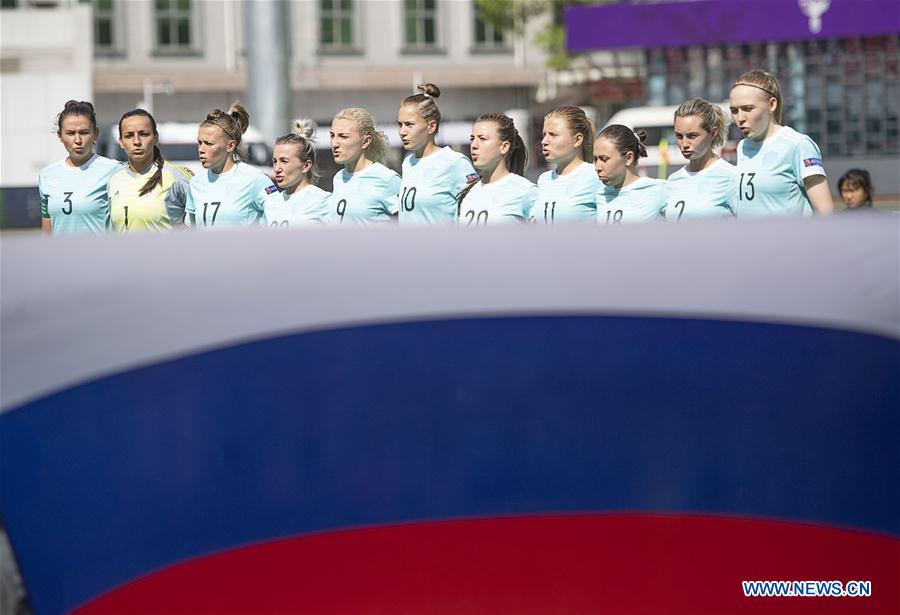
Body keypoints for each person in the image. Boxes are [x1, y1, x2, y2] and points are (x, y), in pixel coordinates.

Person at [729, 69, 833, 217]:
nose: (740, 118)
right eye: (734, 110)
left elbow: (826, 212)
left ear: (771, 104)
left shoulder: (798, 144)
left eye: (748, 109)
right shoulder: (743, 147)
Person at [186, 102, 277, 229]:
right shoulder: (196, 183)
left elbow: (278, 220)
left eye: (208, 143)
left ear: (230, 146)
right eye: (199, 142)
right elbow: (191, 231)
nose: (201, 149)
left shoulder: (256, 179)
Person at [397, 83, 477, 225]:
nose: (402, 131)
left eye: (409, 124)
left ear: (431, 126)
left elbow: (475, 212)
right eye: (400, 124)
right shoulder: (407, 163)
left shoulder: (455, 162)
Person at [38, 100, 120, 234]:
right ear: (60, 135)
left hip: (101, 254)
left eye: (84, 132)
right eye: (70, 133)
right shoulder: (47, 175)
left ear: (96, 133)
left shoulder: (114, 170)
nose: (77, 140)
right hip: (59, 255)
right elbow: (47, 232)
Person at [108, 109, 193, 232]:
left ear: (155, 137)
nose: (136, 141)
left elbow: (204, 221)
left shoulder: (176, 176)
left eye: (143, 134)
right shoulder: (114, 180)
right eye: (129, 135)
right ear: (121, 142)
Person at [457, 113, 537, 226]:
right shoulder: (467, 192)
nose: (473, 145)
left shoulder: (526, 191)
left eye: (482, 138)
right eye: (472, 138)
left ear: (504, 147)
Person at [665, 98, 737, 221]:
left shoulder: (731, 177)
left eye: (692, 136)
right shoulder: (673, 180)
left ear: (713, 133)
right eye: (679, 136)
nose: (684, 143)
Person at [329, 107, 400, 225]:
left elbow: (411, 224)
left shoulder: (387, 179)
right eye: (332, 136)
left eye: (343, 136)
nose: (334, 143)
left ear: (365, 141)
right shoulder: (338, 178)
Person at [534, 105, 600, 224]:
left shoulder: (597, 176)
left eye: (553, 134)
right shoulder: (544, 180)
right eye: (544, 135)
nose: (544, 141)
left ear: (577, 140)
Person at [264, 118, 331, 227]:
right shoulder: (270, 203)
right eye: (275, 161)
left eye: (284, 161)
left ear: (306, 166)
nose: (277, 168)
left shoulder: (323, 201)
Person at [593, 125, 666, 224]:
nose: (597, 167)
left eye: (604, 159)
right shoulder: (600, 195)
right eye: (595, 159)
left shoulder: (660, 190)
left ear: (628, 158)